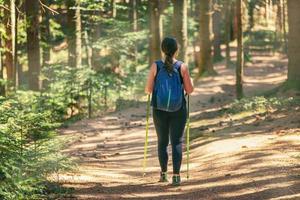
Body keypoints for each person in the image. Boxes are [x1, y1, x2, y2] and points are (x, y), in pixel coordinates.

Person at [145, 37, 194, 186]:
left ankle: (163, 174)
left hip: (159, 110)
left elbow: (148, 90)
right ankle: (177, 176)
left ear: (162, 49)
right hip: (178, 109)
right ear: (176, 50)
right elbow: (190, 90)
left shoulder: (156, 66)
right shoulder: (182, 66)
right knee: (177, 141)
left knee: (162, 142)